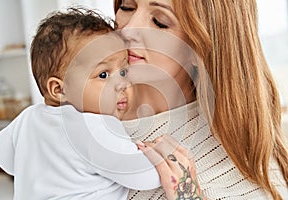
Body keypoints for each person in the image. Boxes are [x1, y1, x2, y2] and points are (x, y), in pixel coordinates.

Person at [113, 0, 288, 200]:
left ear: (199, 49)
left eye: (159, 21)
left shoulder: (241, 161)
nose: (127, 30)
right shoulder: (79, 112)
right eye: (127, 6)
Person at [0, 8, 166, 200]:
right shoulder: (95, 126)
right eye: (103, 75)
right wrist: (159, 153)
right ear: (59, 90)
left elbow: (2, 157)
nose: (122, 84)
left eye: (124, 72)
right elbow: (146, 177)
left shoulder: (28, 117)